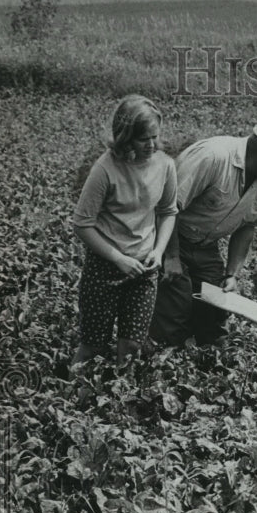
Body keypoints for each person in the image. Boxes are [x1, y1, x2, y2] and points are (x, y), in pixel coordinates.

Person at [150, 114, 257, 346]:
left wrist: (232, 274)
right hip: (168, 237)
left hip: (205, 246)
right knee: (175, 307)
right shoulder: (213, 157)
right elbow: (167, 208)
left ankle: (203, 364)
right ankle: (162, 359)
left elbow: (248, 226)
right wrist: (170, 257)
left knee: (214, 311)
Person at [71, 95, 177, 366]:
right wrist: (119, 259)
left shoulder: (165, 165)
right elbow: (82, 224)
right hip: (105, 267)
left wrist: (158, 251)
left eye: (155, 137)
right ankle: (73, 402)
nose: (151, 145)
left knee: (131, 346)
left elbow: (167, 212)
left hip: (143, 270)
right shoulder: (105, 169)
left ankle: (119, 403)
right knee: (92, 346)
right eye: (143, 139)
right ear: (125, 137)